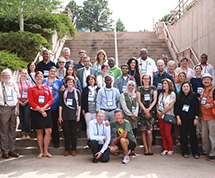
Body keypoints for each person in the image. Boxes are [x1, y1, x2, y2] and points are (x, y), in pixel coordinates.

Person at [28, 71, 53, 158]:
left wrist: (44, 108)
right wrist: (40, 110)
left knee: (48, 131)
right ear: (35, 78)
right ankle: (41, 151)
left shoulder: (47, 87)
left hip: (47, 111)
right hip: (36, 112)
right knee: (39, 131)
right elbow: (31, 102)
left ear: (43, 78)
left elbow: (51, 100)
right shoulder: (31, 88)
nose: (39, 78)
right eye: (37, 77)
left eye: (41, 77)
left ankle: (46, 151)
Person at [175, 81, 200, 158]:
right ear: (182, 88)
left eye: (187, 86)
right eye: (184, 87)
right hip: (182, 119)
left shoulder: (193, 96)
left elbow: (197, 108)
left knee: (193, 136)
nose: (185, 88)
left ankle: (195, 152)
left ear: (190, 87)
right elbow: (176, 108)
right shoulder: (179, 96)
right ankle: (185, 151)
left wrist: (196, 118)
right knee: (183, 136)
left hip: (192, 119)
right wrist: (178, 118)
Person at [58, 76, 81, 156]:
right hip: (65, 115)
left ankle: (74, 149)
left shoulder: (77, 92)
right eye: (68, 82)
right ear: (66, 83)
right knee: (66, 133)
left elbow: (79, 105)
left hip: (74, 116)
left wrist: (78, 115)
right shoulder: (63, 92)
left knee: (74, 134)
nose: (70, 83)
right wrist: (60, 116)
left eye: (71, 82)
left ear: (73, 83)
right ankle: (67, 149)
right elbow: (60, 105)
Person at [0, 69, 20, 159]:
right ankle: (5, 151)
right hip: (4, 108)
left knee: (13, 129)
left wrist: (17, 109)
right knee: (4, 131)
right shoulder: (0, 85)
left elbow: (18, 97)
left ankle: (12, 149)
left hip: (13, 108)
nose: (7, 77)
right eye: (5, 76)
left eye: (9, 76)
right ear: (2, 76)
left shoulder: (14, 84)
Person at [43, 67, 64, 148]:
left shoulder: (59, 82)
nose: (53, 73)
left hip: (55, 106)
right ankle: (45, 143)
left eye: (54, 71)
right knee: (45, 125)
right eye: (51, 71)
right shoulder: (44, 81)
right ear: (48, 72)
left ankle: (56, 142)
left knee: (55, 126)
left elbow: (62, 92)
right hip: (45, 107)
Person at [137, 74, 157, 155]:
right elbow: (139, 100)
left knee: (149, 131)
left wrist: (149, 109)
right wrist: (145, 110)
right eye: (144, 78)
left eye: (147, 78)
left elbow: (155, 99)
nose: (146, 80)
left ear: (149, 79)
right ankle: (145, 149)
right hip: (142, 112)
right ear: (142, 79)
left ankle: (150, 148)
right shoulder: (139, 88)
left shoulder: (153, 88)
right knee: (143, 131)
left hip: (151, 111)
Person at [96, 75, 120, 142]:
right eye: (107, 80)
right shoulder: (101, 91)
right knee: (104, 129)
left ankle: (113, 145)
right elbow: (98, 101)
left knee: (114, 130)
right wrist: (98, 112)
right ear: (105, 81)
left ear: (112, 81)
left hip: (113, 111)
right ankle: (104, 145)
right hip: (104, 112)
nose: (108, 82)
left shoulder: (116, 90)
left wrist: (118, 110)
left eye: (109, 80)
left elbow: (119, 100)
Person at [156, 78, 176, 156]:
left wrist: (162, 112)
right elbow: (158, 104)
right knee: (162, 133)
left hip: (168, 115)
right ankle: (165, 148)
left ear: (169, 85)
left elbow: (171, 106)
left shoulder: (172, 94)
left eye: (165, 83)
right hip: (160, 116)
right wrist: (158, 111)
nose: (164, 85)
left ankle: (170, 149)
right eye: (163, 83)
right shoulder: (161, 94)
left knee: (167, 133)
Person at [199, 73, 215, 161]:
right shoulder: (202, 91)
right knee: (204, 136)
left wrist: (211, 105)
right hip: (203, 116)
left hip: (212, 117)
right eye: (204, 79)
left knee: (212, 135)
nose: (206, 81)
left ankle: (213, 153)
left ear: (211, 81)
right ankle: (206, 151)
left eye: (208, 79)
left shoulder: (214, 90)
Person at [82, 75, 100, 139]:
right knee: (89, 125)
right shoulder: (85, 89)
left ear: (95, 80)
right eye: (89, 79)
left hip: (96, 110)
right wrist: (83, 109)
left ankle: (96, 140)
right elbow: (83, 100)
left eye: (92, 79)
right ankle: (89, 140)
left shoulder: (98, 89)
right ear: (88, 81)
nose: (91, 81)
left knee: (96, 125)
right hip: (88, 110)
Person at [16, 69, 32, 140]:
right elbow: (14, 93)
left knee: (27, 117)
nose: (24, 75)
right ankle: (23, 133)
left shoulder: (29, 83)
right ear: (20, 73)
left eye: (25, 74)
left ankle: (27, 132)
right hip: (19, 102)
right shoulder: (16, 83)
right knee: (21, 118)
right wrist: (19, 101)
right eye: (23, 73)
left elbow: (31, 93)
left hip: (27, 102)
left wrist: (26, 101)